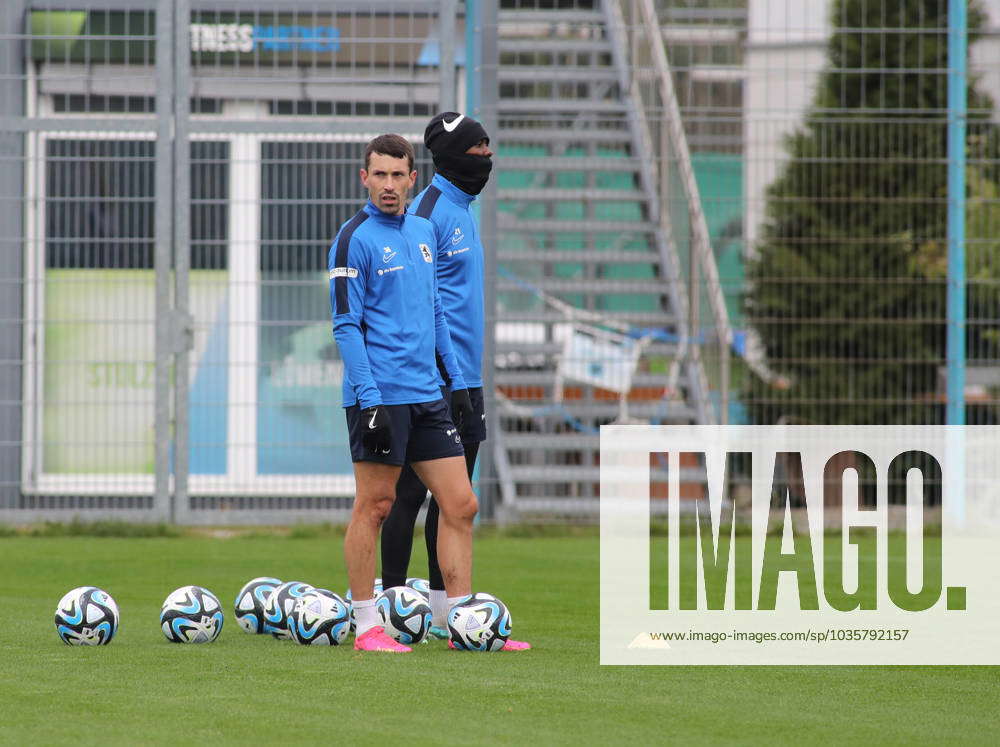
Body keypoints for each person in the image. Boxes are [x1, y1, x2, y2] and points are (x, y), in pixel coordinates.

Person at [379, 113, 531, 651]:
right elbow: (417, 302)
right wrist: (438, 375)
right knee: (408, 497)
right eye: (477, 149)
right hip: (433, 377)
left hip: (466, 378)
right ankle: (390, 613)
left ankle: (450, 620)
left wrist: (467, 382)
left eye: (489, 147)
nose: (486, 157)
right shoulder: (428, 213)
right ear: (449, 159)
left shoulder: (462, 209)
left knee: (455, 503)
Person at [329, 133, 478, 653]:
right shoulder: (353, 239)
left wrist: (457, 385)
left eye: (398, 175)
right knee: (376, 505)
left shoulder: (422, 231)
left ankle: (461, 624)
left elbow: (436, 311)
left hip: (427, 394)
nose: (389, 185)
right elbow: (345, 326)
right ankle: (367, 624)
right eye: (380, 175)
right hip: (379, 395)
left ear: (413, 179)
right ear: (364, 178)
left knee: (460, 504)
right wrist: (369, 399)